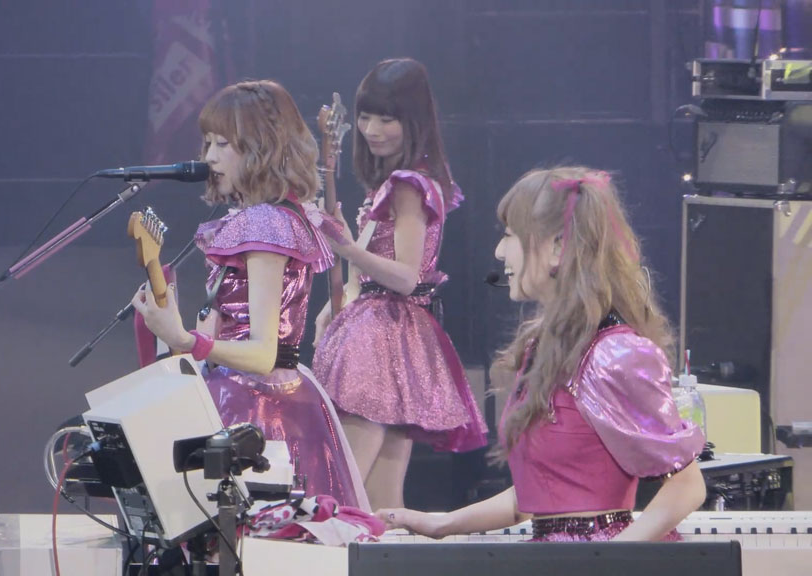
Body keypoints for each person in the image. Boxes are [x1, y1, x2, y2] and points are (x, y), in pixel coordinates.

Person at [377, 166, 707, 541]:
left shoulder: (616, 353)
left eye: (509, 236)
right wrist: (442, 523)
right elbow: (539, 495)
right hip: (554, 555)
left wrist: (607, 560)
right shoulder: (546, 348)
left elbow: (686, 486)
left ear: (556, 247)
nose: (499, 251)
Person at [132, 80, 369, 511]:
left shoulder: (264, 222)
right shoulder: (268, 216)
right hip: (258, 397)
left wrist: (185, 339)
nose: (209, 157)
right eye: (208, 142)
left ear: (263, 147)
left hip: (259, 410)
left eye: (223, 144)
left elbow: (262, 354)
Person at [311, 58, 487, 510]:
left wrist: (346, 247)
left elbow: (407, 277)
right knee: (384, 505)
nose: (372, 130)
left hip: (380, 336)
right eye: (366, 117)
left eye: (387, 119)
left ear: (414, 121)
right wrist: (343, 294)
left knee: (339, 491)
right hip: (393, 333)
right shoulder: (401, 181)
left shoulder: (408, 185)